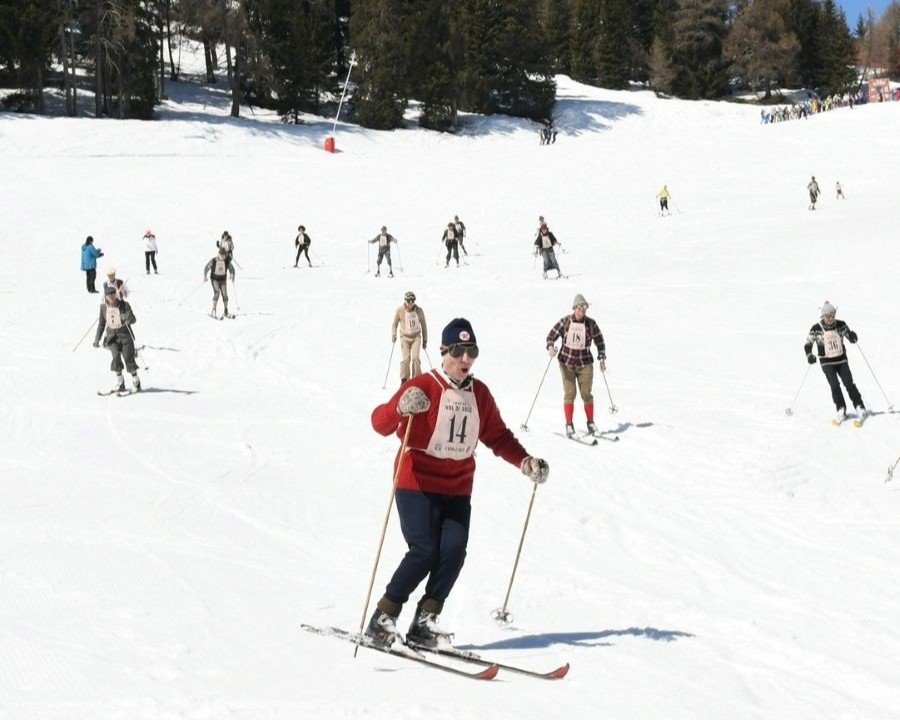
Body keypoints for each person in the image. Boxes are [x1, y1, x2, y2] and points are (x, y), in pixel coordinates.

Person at [367, 318, 550, 649]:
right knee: (424, 551)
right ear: (443, 352)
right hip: (416, 482)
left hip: (457, 487)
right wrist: (399, 407)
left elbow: (497, 436)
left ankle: (425, 622)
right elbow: (379, 423)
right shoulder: (423, 385)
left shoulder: (479, 394)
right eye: (458, 351)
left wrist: (525, 461)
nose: (466, 359)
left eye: (472, 352)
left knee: (453, 551)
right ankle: (383, 617)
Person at [546, 294, 606, 437]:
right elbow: (550, 336)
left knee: (587, 394)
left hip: (585, 363)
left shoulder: (591, 324)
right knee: (570, 393)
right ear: (574, 308)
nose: (581, 310)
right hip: (566, 363)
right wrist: (550, 347)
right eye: (579, 308)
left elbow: (600, 341)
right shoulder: (565, 321)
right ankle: (569, 425)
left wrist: (602, 357)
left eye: (584, 308)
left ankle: (591, 423)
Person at [803, 301, 866, 424]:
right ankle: (841, 408)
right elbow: (808, 344)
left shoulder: (841, 325)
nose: (830, 319)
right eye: (827, 316)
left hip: (841, 360)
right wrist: (809, 355)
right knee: (834, 385)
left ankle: (860, 407)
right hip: (826, 362)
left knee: (848, 383)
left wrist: (853, 336)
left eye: (832, 315)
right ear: (823, 316)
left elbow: (850, 337)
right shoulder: (816, 328)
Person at [92, 286, 141, 392]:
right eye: (109, 295)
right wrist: (97, 339)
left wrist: (126, 318)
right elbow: (101, 324)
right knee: (116, 357)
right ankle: (120, 382)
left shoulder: (124, 305)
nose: (112, 297)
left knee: (128, 358)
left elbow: (133, 319)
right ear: (106, 297)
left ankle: (136, 381)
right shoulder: (103, 308)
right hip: (111, 338)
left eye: (113, 294)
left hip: (124, 336)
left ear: (116, 295)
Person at [391, 291, 428, 384]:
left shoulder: (419, 311)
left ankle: (417, 378)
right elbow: (394, 324)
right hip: (405, 337)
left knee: (415, 358)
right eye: (408, 301)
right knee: (406, 358)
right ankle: (404, 379)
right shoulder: (400, 310)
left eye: (412, 301)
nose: (410, 303)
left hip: (416, 337)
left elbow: (424, 325)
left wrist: (425, 340)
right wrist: (394, 334)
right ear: (405, 301)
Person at [203, 247, 236, 318]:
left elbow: (232, 269)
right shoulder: (214, 260)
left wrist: (232, 275)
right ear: (219, 254)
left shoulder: (226, 261)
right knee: (217, 293)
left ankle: (226, 310)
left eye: (224, 256)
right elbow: (206, 268)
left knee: (225, 294)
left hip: (223, 279)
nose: (223, 257)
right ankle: (214, 310)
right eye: (221, 256)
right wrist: (205, 276)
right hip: (214, 279)